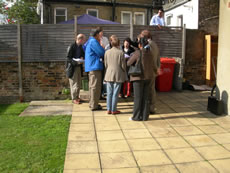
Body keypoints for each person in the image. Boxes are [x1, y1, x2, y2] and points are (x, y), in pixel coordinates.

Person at [127, 37, 156, 121]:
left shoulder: (138, 53)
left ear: (140, 45)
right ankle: (144, 116)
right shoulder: (150, 53)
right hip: (148, 77)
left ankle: (136, 116)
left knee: (137, 98)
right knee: (146, 97)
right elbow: (153, 65)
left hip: (138, 77)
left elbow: (129, 63)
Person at [104, 35, 126, 115]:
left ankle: (108, 109)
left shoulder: (106, 52)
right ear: (118, 43)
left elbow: (105, 64)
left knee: (109, 93)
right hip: (118, 74)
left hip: (109, 73)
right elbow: (123, 66)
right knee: (115, 93)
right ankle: (113, 110)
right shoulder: (121, 52)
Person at [85, 28, 105, 111]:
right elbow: (101, 52)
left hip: (91, 66)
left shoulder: (89, 41)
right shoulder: (93, 41)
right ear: (96, 35)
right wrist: (102, 47)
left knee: (92, 86)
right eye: (99, 35)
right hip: (95, 66)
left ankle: (92, 103)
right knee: (95, 86)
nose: (100, 37)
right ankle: (94, 105)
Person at [141, 30, 160, 114]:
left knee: (150, 90)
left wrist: (156, 68)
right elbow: (158, 57)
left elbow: (150, 58)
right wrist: (158, 68)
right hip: (153, 70)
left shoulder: (149, 45)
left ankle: (150, 108)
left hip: (149, 70)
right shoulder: (155, 44)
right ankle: (151, 107)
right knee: (151, 89)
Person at [67, 34, 86, 104]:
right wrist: (76, 62)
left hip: (79, 67)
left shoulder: (80, 46)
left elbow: (83, 54)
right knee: (74, 83)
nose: (84, 41)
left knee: (78, 83)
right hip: (73, 67)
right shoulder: (72, 46)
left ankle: (77, 97)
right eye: (84, 40)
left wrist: (82, 58)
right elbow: (68, 58)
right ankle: (74, 98)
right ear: (80, 39)